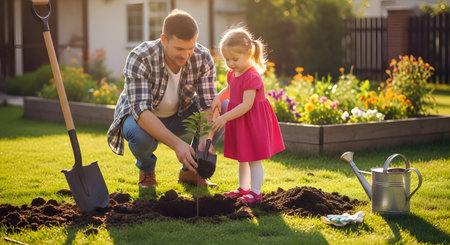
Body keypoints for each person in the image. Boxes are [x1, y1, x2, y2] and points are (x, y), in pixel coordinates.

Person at [107, 9, 226, 189]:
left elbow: (207, 104)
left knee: (222, 106)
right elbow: (141, 111)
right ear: (164, 40)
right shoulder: (140, 57)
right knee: (140, 137)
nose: (185, 55)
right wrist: (178, 144)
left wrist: (204, 137)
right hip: (140, 118)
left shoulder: (202, 57)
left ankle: (190, 171)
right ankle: (147, 170)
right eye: (179, 48)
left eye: (190, 48)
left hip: (179, 115)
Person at [210, 27, 285, 203]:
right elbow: (230, 89)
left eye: (235, 59)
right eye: (227, 59)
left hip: (253, 121)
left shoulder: (252, 77)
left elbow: (246, 105)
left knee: (253, 159)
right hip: (240, 120)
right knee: (242, 157)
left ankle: (256, 193)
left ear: (249, 53)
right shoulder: (232, 73)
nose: (231, 63)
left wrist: (224, 117)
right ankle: (243, 189)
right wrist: (218, 97)